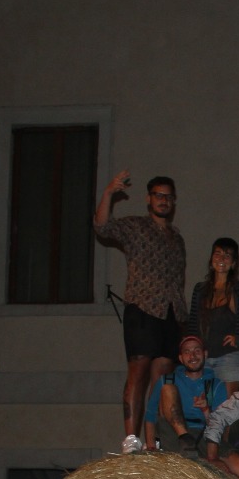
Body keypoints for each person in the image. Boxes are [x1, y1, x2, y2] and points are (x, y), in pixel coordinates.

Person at [94, 171, 186, 449]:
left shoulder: (177, 238)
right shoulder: (135, 226)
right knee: (139, 371)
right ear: (149, 199)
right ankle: (131, 439)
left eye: (168, 197)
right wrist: (109, 192)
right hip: (143, 308)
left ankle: (153, 439)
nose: (163, 200)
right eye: (158, 195)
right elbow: (102, 228)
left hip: (172, 312)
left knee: (162, 378)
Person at [185, 236, 239, 392]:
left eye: (227, 255)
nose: (222, 258)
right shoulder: (200, 290)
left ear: (234, 263)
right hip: (206, 359)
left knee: (228, 407)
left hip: (229, 358)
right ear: (211, 259)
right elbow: (193, 324)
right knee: (208, 407)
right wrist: (191, 350)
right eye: (218, 254)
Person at [144, 336, 229, 456]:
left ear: (205, 354)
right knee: (168, 389)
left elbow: (221, 427)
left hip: (202, 435)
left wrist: (206, 410)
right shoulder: (167, 379)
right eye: (187, 352)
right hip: (173, 434)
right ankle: (184, 437)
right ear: (181, 358)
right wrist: (151, 446)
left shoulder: (215, 385)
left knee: (238, 464)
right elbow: (150, 414)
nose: (192, 356)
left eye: (197, 351)